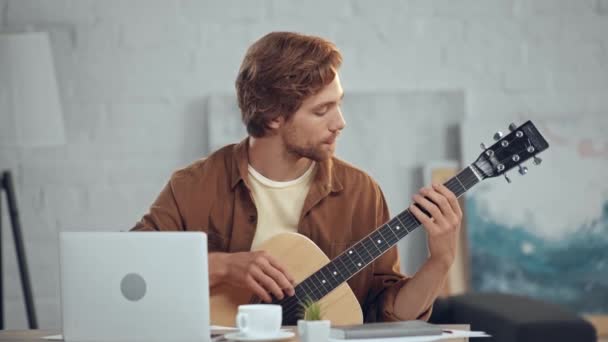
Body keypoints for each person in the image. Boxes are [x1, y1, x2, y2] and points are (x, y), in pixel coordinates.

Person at [132, 31, 462, 322]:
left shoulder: (361, 192)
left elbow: (387, 316)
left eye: (339, 104)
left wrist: (440, 261)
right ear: (274, 116)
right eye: (322, 111)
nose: (340, 122)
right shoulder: (193, 186)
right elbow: (132, 268)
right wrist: (222, 267)